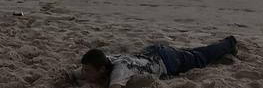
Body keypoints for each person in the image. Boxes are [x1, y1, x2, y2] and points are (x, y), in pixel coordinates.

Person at [66, 36, 237, 87]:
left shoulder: (119, 70)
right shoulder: (105, 61)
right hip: (151, 53)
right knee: (193, 54)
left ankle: (229, 43)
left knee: (201, 58)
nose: (84, 73)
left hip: (167, 61)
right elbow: (72, 74)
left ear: (102, 69)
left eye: (88, 70)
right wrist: (75, 76)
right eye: (85, 69)